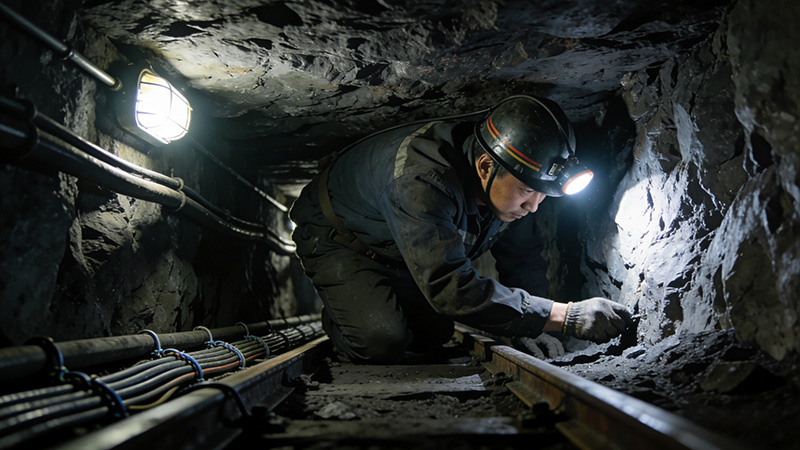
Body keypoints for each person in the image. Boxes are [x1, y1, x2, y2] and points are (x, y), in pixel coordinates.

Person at [289, 95, 632, 364]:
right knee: (382, 341)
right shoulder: (423, 182)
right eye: (528, 191)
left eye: (542, 194)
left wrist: (536, 325)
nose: (534, 206)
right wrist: (563, 317)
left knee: (432, 335)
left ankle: (377, 301)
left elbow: (522, 257)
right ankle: (342, 312)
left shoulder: (505, 184)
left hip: (403, 249)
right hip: (342, 239)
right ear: (485, 166)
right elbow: (448, 288)